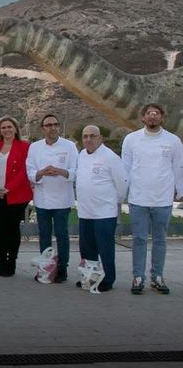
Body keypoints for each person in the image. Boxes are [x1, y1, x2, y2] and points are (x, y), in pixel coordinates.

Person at [121, 103, 183, 294]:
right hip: (138, 198)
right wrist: (123, 193)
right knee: (139, 238)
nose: (153, 116)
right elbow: (126, 168)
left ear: (162, 117)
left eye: (156, 114)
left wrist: (180, 192)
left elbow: (178, 168)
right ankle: (138, 276)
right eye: (149, 113)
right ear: (143, 117)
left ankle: (157, 276)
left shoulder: (173, 141)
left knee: (160, 240)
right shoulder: (131, 140)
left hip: (162, 199)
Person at [26, 113, 78, 283]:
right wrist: (41, 172)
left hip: (62, 198)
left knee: (62, 235)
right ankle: (46, 267)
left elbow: (75, 171)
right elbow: (31, 171)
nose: (52, 128)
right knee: (44, 235)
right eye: (48, 125)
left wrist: (61, 171)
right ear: (43, 129)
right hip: (43, 198)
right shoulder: (34, 147)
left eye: (55, 124)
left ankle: (62, 268)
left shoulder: (70, 146)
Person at [75, 126, 128, 293]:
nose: (88, 139)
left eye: (92, 136)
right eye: (85, 136)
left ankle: (108, 279)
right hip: (85, 212)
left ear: (101, 138)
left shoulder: (110, 157)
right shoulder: (82, 155)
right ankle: (89, 277)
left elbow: (122, 184)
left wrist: (113, 201)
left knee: (105, 248)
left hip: (104, 212)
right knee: (87, 248)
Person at [0, 116, 32, 277]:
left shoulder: (25, 147)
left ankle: (11, 262)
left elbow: (24, 171)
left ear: (15, 129)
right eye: (3, 127)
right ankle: (1, 263)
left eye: (9, 127)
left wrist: (8, 188)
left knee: (12, 229)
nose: (6, 130)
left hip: (16, 195)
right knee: (1, 230)